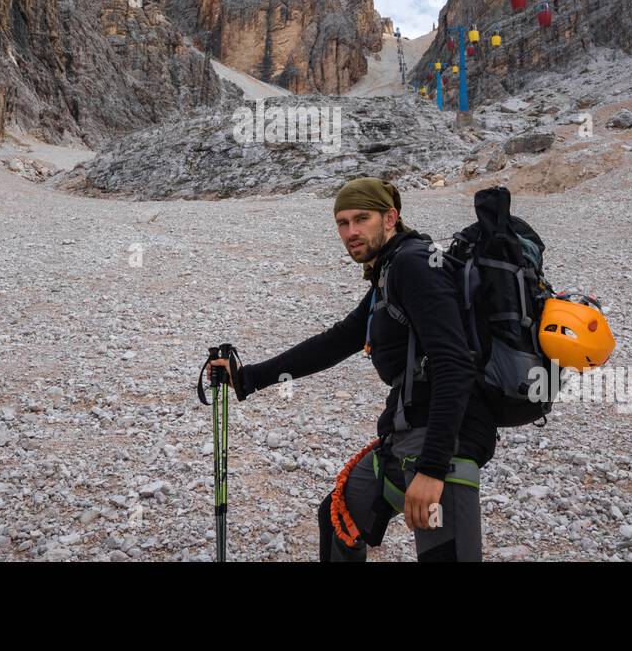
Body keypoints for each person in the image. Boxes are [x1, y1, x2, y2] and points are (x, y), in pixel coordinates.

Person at [208, 177, 497, 561]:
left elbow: (454, 363)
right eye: (343, 223)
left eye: (361, 219)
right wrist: (247, 378)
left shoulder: (413, 265)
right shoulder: (389, 272)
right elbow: (339, 340)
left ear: (390, 218)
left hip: (444, 442)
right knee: (338, 516)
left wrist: (432, 469)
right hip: (405, 436)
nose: (351, 232)